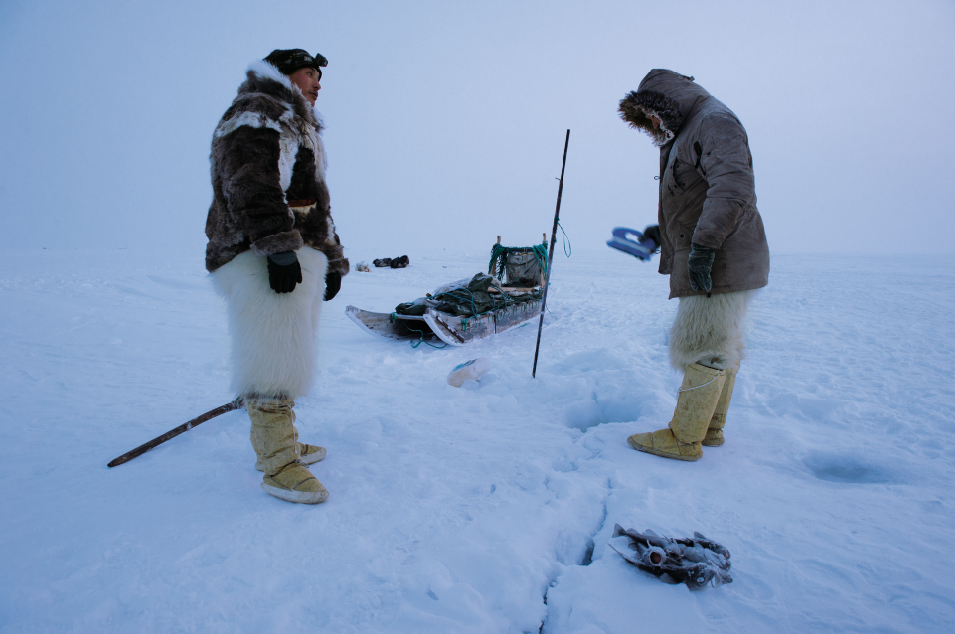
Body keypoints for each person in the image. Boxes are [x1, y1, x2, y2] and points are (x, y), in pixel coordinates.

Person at [204, 49, 349, 503]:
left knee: (292, 350)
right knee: (273, 359)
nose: (318, 83)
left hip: (292, 254)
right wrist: (276, 245)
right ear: (285, 73)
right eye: (311, 73)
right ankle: (276, 463)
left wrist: (332, 257)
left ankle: (281, 440)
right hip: (256, 254)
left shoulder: (296, 121)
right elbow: (249, 180)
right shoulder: (259, 111)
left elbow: (314, 200)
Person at [619, 70, 769, 461]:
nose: (652, 124)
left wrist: (703, 247)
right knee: (722, 344)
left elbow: (733, 187)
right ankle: (709, 429)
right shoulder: (695, 127)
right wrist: (662, 232)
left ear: (666, 102)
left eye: (651, 114)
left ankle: (685, 438)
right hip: (725, 252)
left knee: (702, 345)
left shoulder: (712, 121)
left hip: (720, 256)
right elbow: (696, 197)